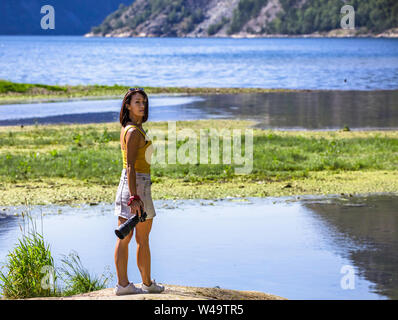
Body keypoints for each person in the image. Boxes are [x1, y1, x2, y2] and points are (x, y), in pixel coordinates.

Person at [113, 87, 164, 295]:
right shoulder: (133, 131)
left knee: (131, 238)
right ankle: (139, 284)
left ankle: (131, 284)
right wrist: (134, 197)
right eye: (137, 102)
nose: (142, 106)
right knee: (137, 239)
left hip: (132, 183)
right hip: (136, 185)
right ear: (127, 105)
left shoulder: (130, 128)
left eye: (144, 102)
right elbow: (131, 166)